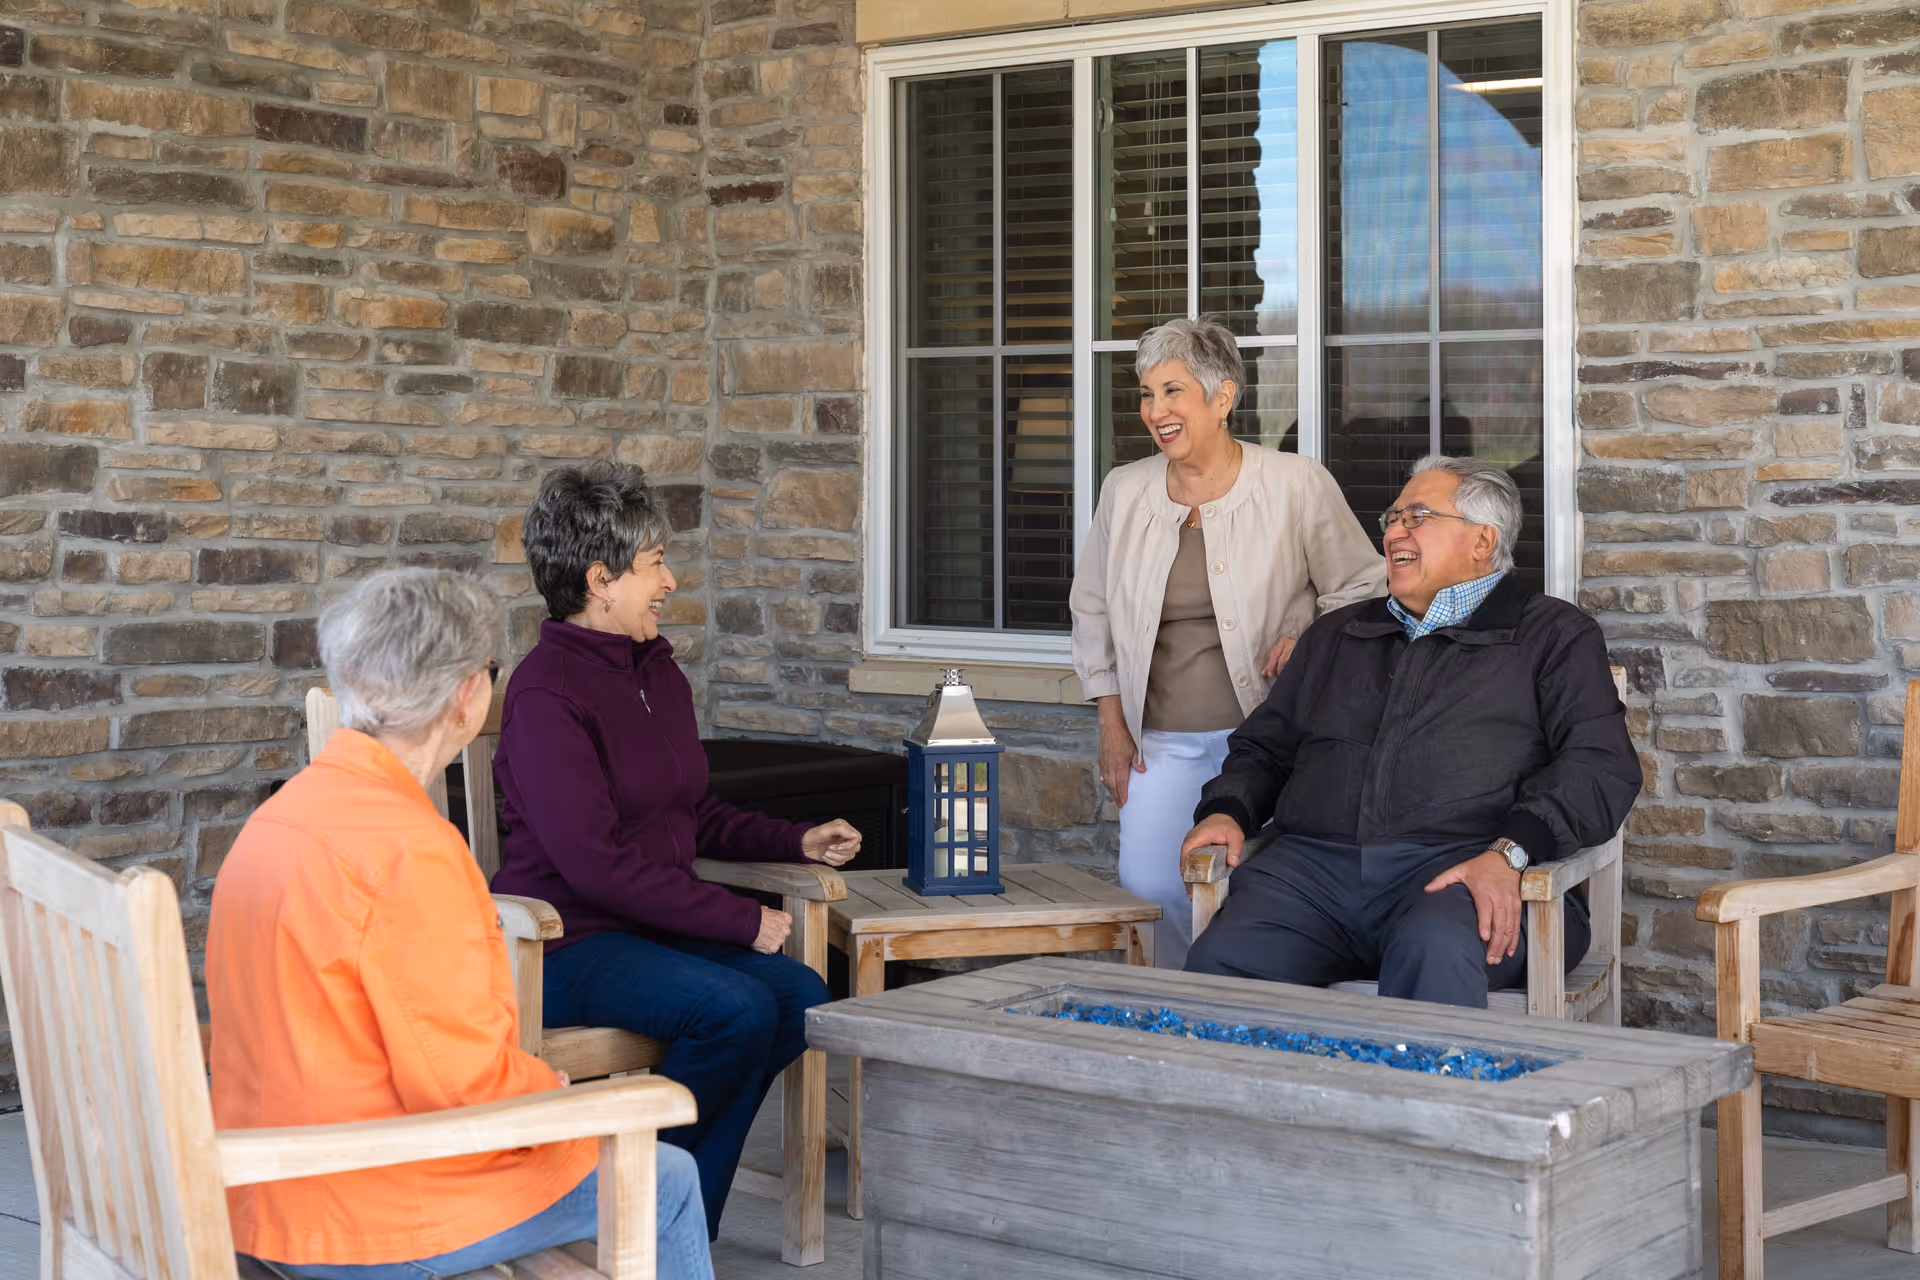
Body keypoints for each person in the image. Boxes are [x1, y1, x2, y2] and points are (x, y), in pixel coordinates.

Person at [207, 568, 712, 1280]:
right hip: (361, 1207)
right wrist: (552, 1093)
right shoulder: (411, 848)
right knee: (665, 1180)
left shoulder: (283, 813)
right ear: (469, 694)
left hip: (263, 1180)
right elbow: (462, 1086)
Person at [491, 460, 860, 1239]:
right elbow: (591, 861)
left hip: (650, 936)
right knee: (733, 1010)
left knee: (799, 998)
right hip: (565, 944)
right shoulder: (544, 694)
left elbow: (693, 812)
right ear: (602, 578)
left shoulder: (654, 673)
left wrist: (794, 838)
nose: (670, 579)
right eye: (656, 562)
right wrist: (737, 920)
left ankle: (658, 1217)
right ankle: (633, 1215)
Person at [1181, 456, 1642, 1008]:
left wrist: (1511, 852)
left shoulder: (1552, 636)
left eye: (1417, 516)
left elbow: (1598, 766)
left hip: (1465, 869)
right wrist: (1226, 810)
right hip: (1312, 878)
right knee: (1218, 969)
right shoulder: (1339, 633)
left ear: (1482, 540)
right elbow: (1267, 747)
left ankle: (1422, 1098)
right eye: (1393, 517)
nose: (1394, 531)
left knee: (1435, 951)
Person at [1069, 317, 1387, 969]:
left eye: (1173, 391)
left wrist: (1306, 629)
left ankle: (1235, 1023)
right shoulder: (1124, 491)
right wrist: (1111, 726)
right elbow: (1092, 608)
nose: (1156, 411)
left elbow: (1363, 584)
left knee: (1252, 895)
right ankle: (1182, 1025)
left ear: (1223, 398)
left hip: (1267, 744)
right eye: (1147, 393)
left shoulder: (1294, 484)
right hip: (1159, 744)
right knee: (1152, 889)